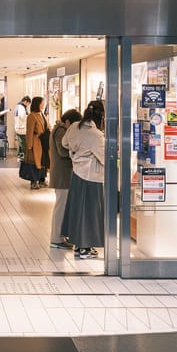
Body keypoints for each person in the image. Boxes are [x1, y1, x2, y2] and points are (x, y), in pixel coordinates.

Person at [61, 100, 106, 260]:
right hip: (91, 177)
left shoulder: (74, 127)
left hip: (77, 173)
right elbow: (105, 158)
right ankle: (85, 247)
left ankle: (79, 246)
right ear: (101, 116)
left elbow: (64, 143)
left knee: (77, 210)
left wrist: (78, 152)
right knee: (90, 212)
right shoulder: (95, 135)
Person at [49, 109, 83, 249]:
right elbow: (62, 150)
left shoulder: (60, 129)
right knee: (61, 207)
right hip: (62, 174)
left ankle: (60, 236)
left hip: (63, 173)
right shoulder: (61, 130)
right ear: (68, 121)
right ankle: (56, 239)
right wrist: (76, 150)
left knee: (63, 206)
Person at [24, 96, 50, 190]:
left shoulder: (42, 115)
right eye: (42, 102)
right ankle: (34, 181)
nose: (43, 104)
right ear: (37, 104)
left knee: (43, 160)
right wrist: (29, 145)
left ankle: (42, 180)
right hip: (36, 142)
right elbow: (29, 131)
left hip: (44, 142)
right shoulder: (32, 116)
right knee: (35, 161)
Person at [14, 96, 31, 161]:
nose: (28, 105)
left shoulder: (18, 106)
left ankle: (20, 157)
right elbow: (23, 117)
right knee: (23, 144)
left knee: (20, 144)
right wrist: (28, 116)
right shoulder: (21, 107)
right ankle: (22, 158)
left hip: (19, 127)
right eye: (28, 103)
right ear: (25, 101)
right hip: (21, 128)